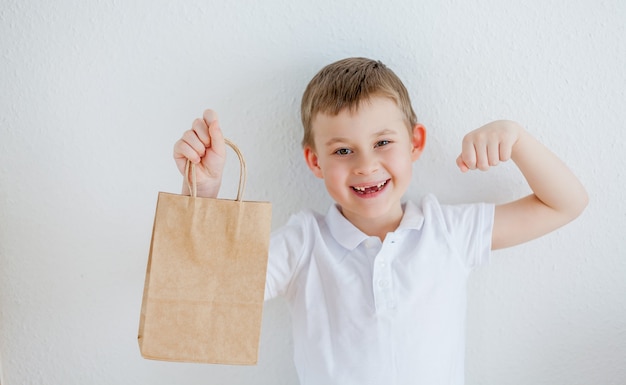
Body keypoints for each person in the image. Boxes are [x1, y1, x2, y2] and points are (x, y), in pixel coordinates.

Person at [172, 57, 588, 385]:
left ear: (415, 143)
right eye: (342, 151)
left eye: (383, 143)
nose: (366, 165)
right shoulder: (303, 245)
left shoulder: (447, 232)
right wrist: (204, 194)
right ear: (315, 161)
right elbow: (213, 295)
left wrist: (516, 138)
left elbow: (565, 204)